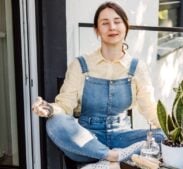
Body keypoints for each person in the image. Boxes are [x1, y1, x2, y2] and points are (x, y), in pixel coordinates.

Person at [32, 1, 164, 169]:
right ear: (97, 30)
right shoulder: (80, 65)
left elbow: (150, 110)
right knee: (54, 123)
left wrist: (182, 128)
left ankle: (105, 163)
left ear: (125, 26)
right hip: (87, 140)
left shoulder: (137, 67)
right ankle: (112, 157)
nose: (112, 27)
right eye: (105, 23)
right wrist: (49, 109)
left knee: (166, 137)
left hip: (122, 137)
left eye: (117, 21)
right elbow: (65, 106)